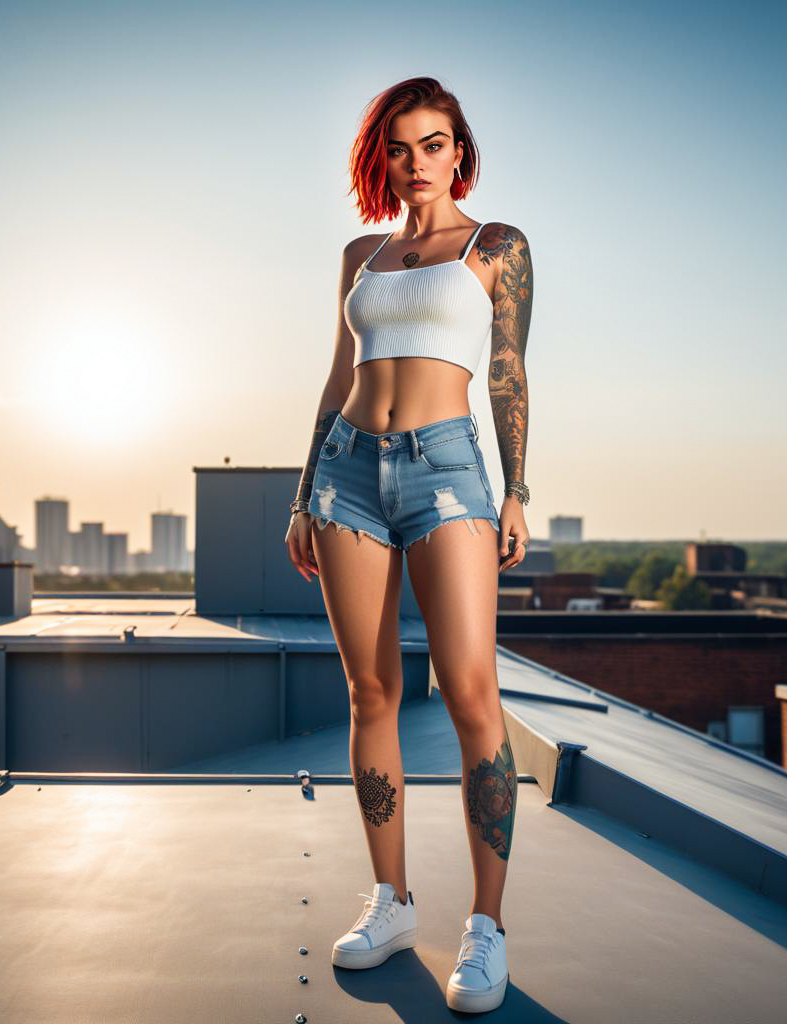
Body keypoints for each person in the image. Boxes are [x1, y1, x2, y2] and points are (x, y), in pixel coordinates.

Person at [284, 75, 532, 1015]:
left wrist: (516, 489)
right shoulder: (361, 254)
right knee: (370, 689)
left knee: (472, 692)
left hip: (447, 471)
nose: (416, 163)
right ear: (381, 156)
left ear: (459, 150)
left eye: (433, 144)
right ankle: (390, 902)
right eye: (399, 146)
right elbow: (336, 374)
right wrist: (304, 492)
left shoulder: (496, 247)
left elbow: (506, 371)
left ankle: (487, 927)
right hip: (347, 468)